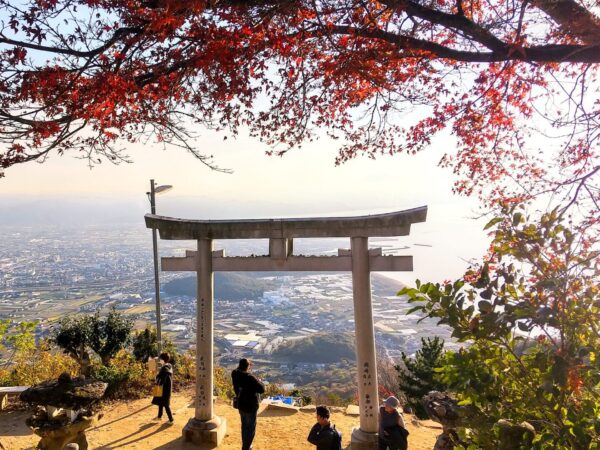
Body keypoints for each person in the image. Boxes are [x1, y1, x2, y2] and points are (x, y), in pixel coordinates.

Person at [232, 358, 265, 450]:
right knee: (250, 428)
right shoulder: (250, 377)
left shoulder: (234, 373)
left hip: (241, 404)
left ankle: (246, 445)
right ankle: (246, 447)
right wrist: (258, 380)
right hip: (250, 406)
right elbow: (262, 389)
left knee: (244, 425)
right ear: (247, 366)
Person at [151, 352, 174, 423]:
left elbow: (162, 379)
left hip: (164, 388)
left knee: (166, 404)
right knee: (160, 402)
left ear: (163, 360)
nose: (159, 360)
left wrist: (156, 377)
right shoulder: (168, 366)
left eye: (160, 359)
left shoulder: (164, 369)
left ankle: (171, 420)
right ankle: (159, 416)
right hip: (165, 388)